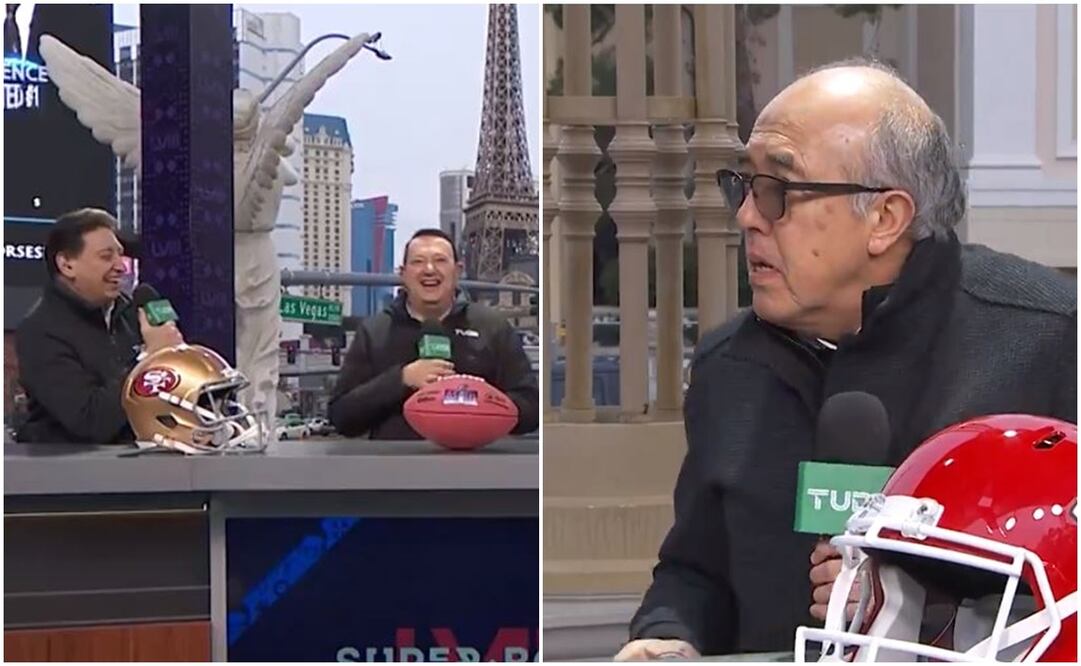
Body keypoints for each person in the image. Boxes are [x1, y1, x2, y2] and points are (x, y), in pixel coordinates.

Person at [618, 59, 1076, 660]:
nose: (747, 217)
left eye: (778, 192)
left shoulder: (1046, 338)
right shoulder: (727, 366)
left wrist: (916, 602)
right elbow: (695, 569)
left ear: (885, 218)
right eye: (744, 186)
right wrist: (667, 635)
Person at [328, 228, 539, 440]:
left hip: (478, 465)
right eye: (418, 262)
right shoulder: (374, 331)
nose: (429, 269)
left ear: (457, 271)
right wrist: (401, 379)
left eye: (440, 260)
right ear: (403, 274)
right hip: (396, 465)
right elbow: (341, 417)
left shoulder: (493, 326)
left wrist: (479, 399)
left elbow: (531, 408)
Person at [15, 208, 183, 444]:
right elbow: (90, 421)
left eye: (120, 255)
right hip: (76, 474)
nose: (121, 266)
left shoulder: (133, 312)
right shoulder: (40, 332)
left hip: (147, 464)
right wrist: (148, 360)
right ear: (66, 265)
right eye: (106, 256)